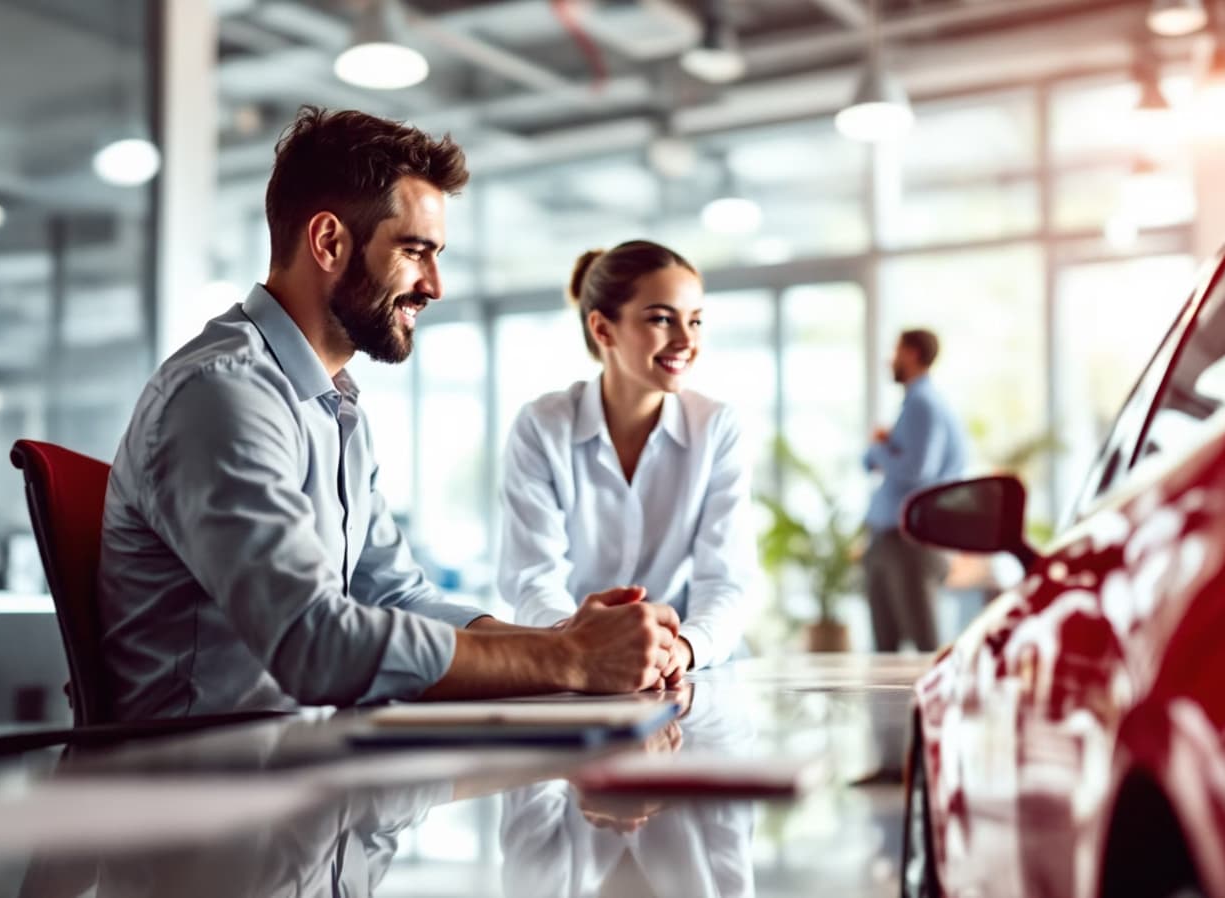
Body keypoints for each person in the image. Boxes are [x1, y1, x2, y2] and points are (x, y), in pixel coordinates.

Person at [97, 108, 680, 721]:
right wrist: (569, 659)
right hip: (203, 790)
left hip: (305, 766)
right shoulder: (224, 396)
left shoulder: (331, 404)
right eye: (415, 251)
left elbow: (398, 595)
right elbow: (314, 644)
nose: (435, 285)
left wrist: (565, 642)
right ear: (328, 242)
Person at [496, 240, 756, 683]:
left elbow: (725, 581)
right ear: (603, 330)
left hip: (691, 667)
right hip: (577, 665)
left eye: (695, 321)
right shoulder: (542, 426)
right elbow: (533, 579)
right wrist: (582, 648)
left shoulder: (716, 428)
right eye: (661, 319)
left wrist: (683, 649)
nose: (687, 340)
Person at [862, 328, 968, 652]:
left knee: (921, 647)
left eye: (896, 351)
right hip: (890, 539)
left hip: (908, 543)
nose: (890, 359)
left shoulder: (924, 404)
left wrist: (880, 448)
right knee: (887, 650)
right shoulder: (913, 404)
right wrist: (882, 449)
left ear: (912, 354)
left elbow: (917, 471)